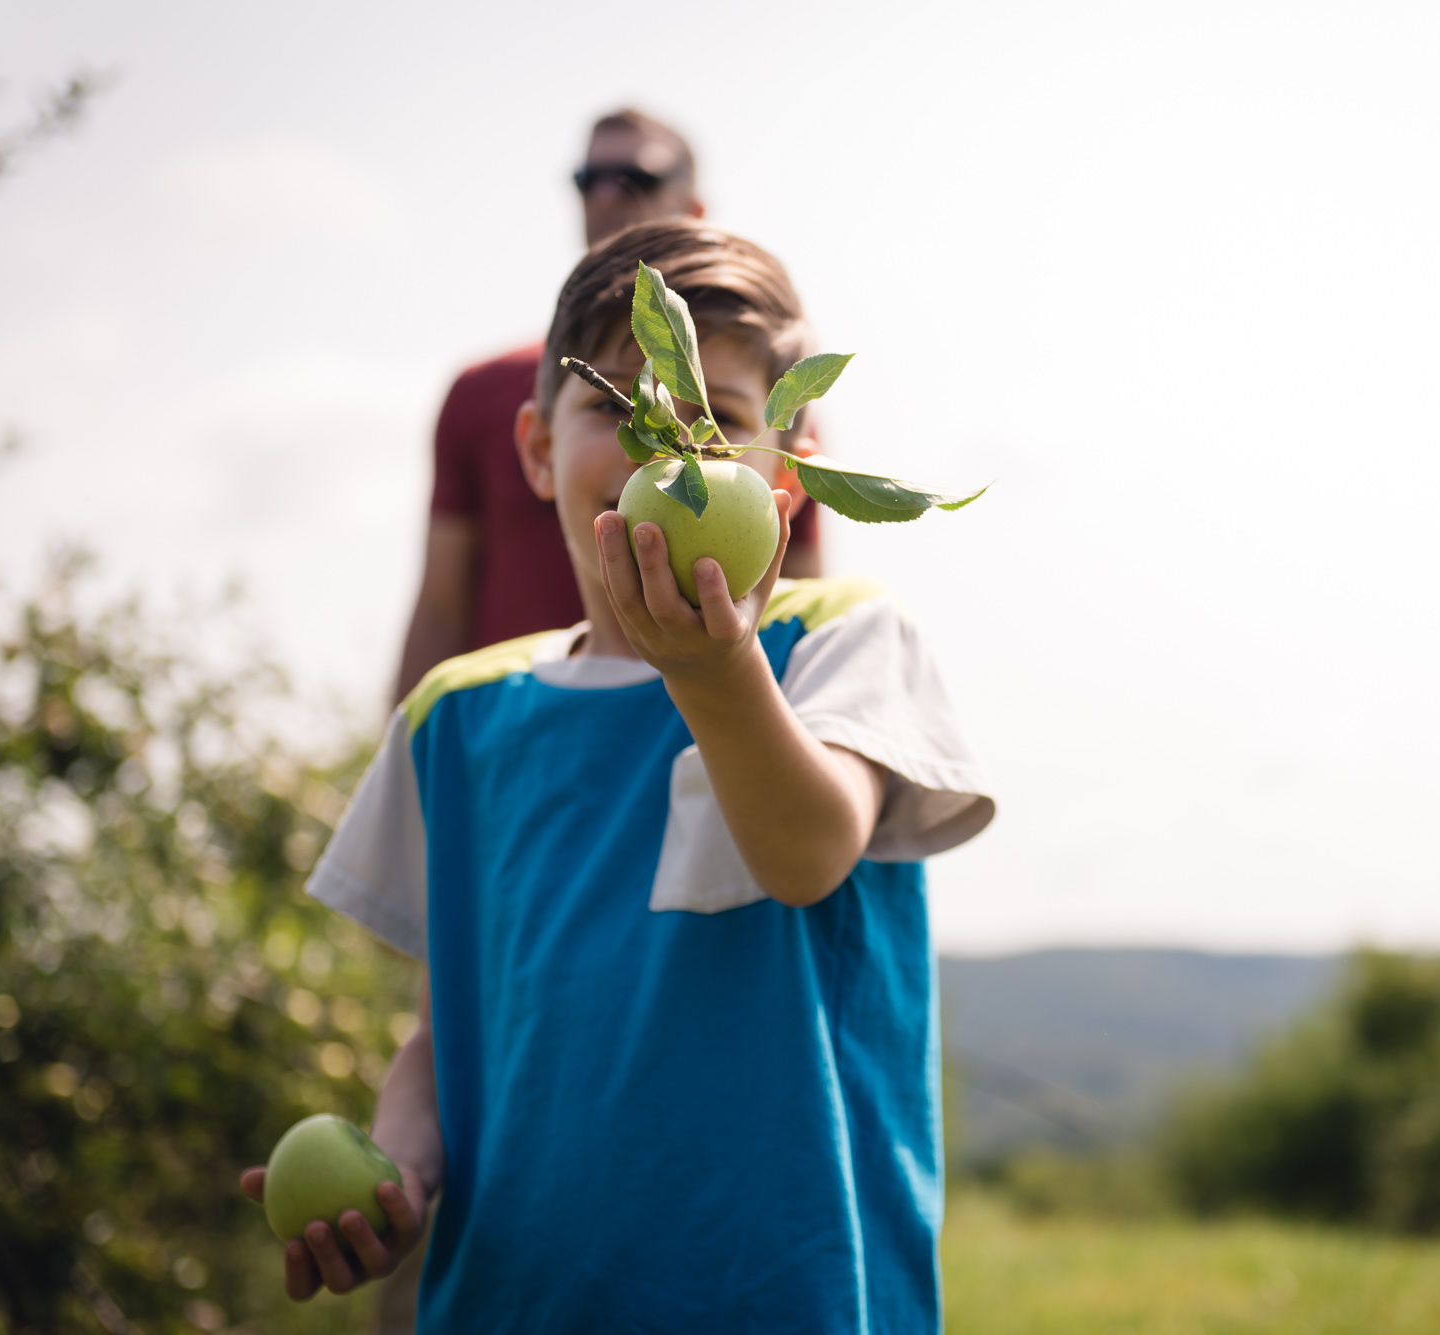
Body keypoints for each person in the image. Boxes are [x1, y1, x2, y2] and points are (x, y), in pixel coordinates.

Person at [241, 220, 994, 1331]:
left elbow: (806, 853)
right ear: (538, 450)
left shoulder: (837, 643)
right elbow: (449, 1029)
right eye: (617, 406)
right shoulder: (459, 717)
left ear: (784, 475)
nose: (670, 449)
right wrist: (399, 1175)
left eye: (719, 420)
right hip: (517, 1305)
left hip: (784, 1301)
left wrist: (717, 671)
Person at [393, 109, 823, 706]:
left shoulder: (758, 413)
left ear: (694, 205)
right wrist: (412, 742)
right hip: (523, 729)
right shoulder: (489, 391)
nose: (606, 195)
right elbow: (441, 600)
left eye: (636, 177)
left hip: (715, 715)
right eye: (587, 179)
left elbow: (796, 577)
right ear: (539, 445)